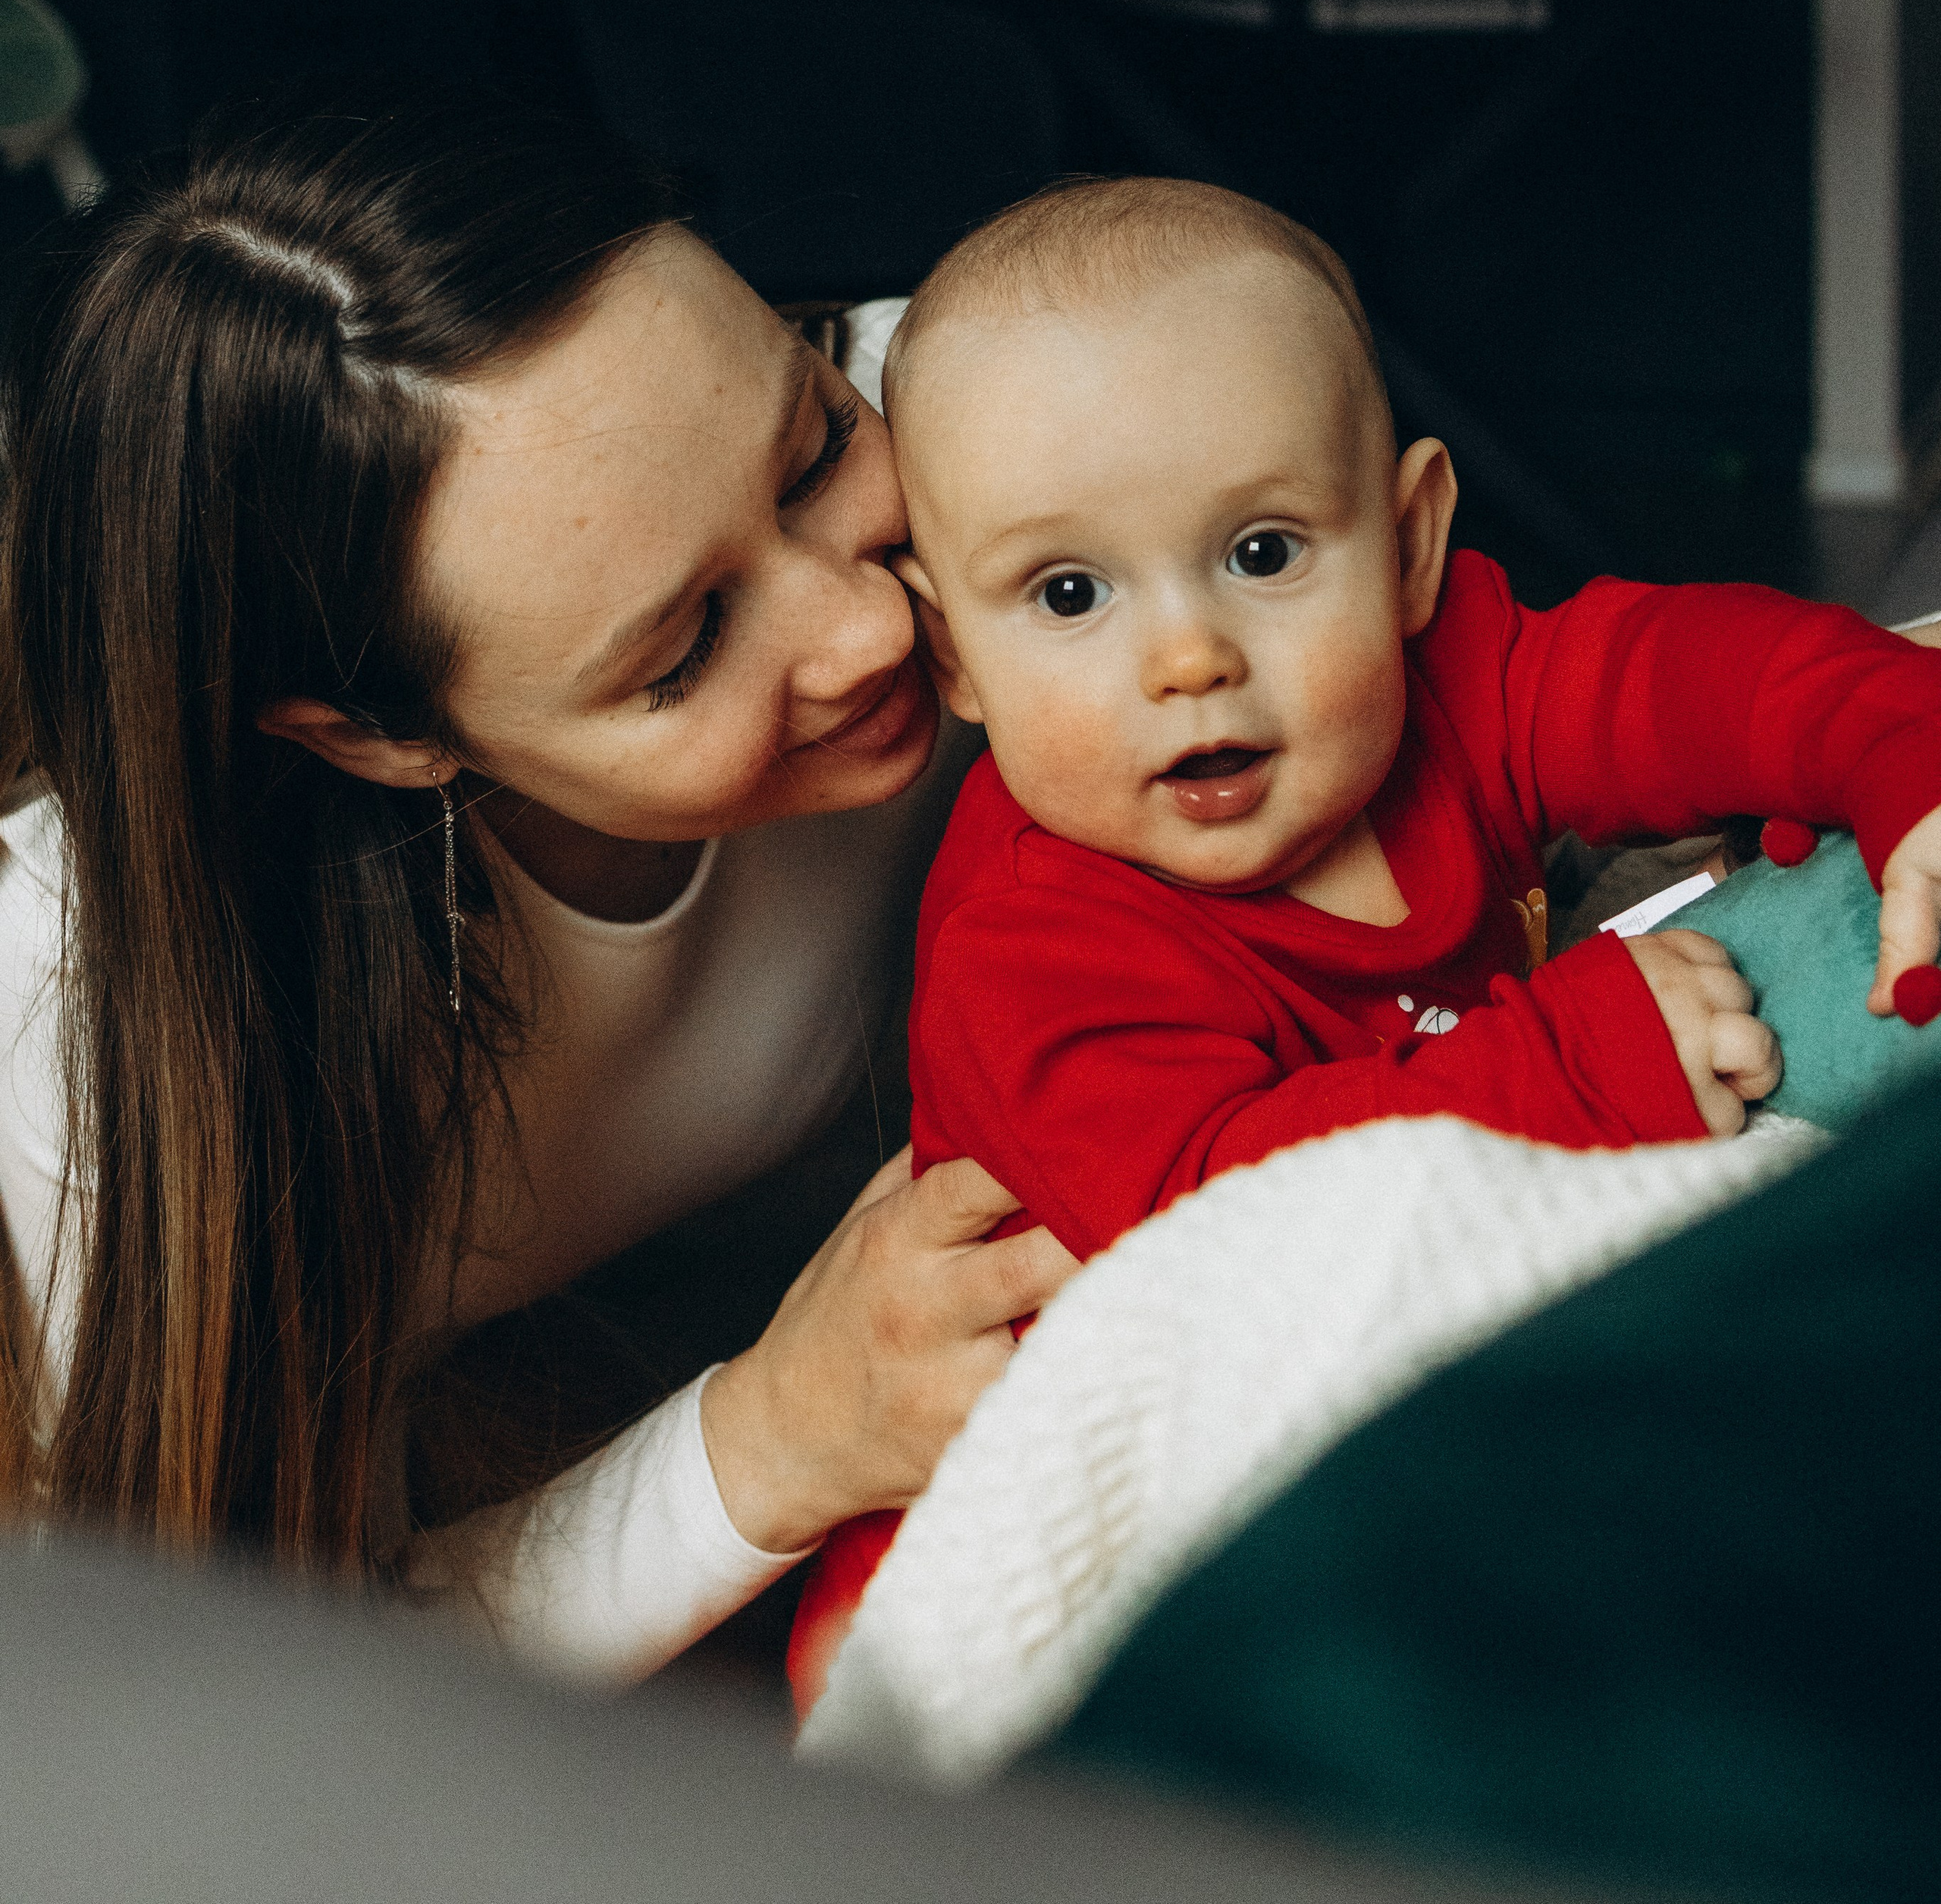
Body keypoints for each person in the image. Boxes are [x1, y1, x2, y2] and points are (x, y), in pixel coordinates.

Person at [782, 175, 1941, 1704]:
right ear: (955, 658)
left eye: (1262, 554)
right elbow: (1208, 1215)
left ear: (1404, 548)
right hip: (1086, 1425)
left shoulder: (1442, 685)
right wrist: (1573, 1061)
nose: (1188, 657)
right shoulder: (1031, 943)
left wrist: (1897, 767)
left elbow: (1687, 676)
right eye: (1068, 593)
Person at [0, 89, 1075, 1675]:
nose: (859, 630)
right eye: (685, 648)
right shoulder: (78, 1040)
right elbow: (224, 1691)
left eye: (810, 451)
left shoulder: (990, 409)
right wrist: (770, 1438)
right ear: (378, 739)